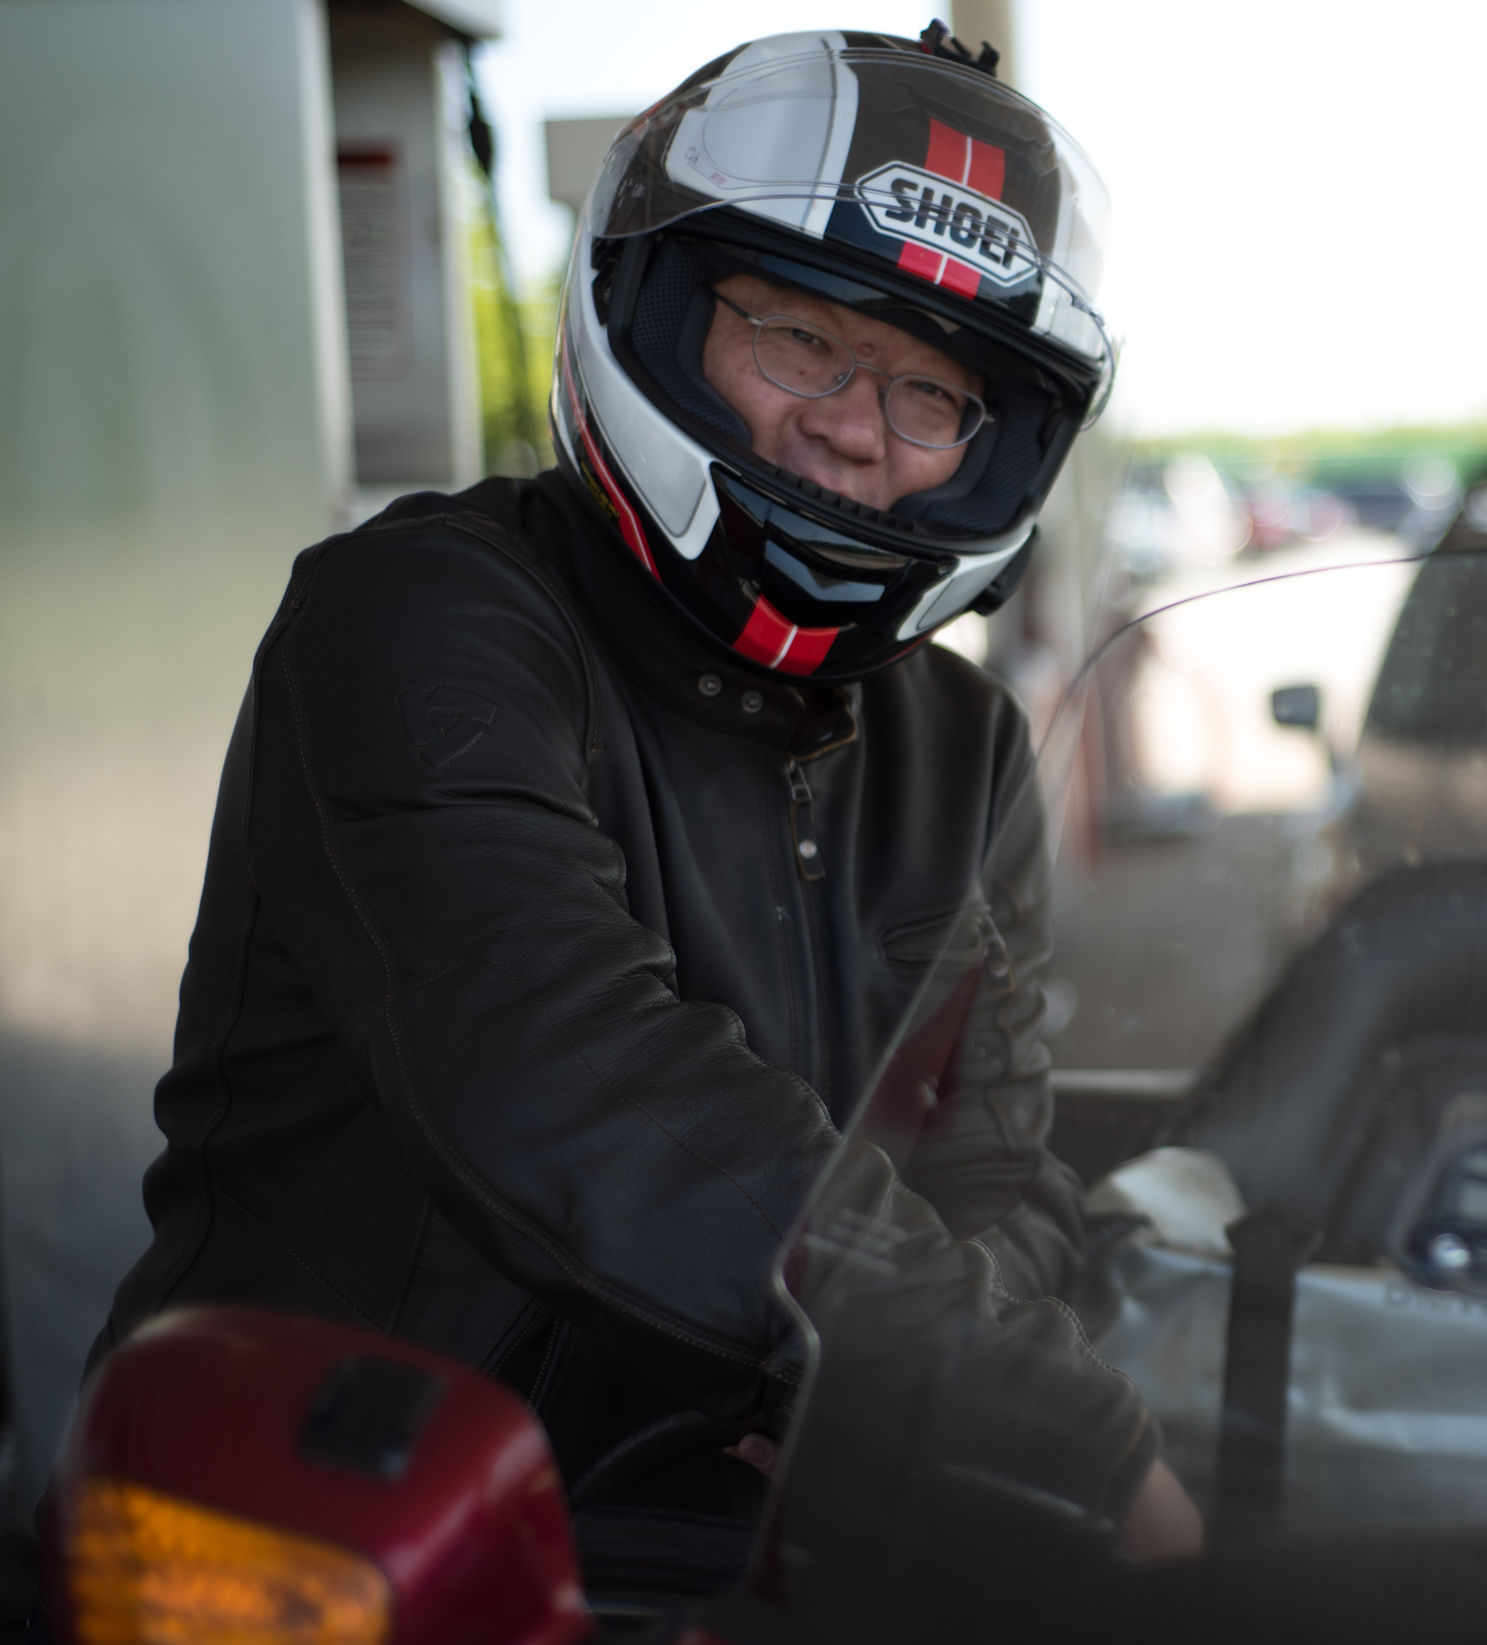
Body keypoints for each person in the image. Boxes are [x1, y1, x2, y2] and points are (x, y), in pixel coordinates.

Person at [87, 25, 1200, 1566]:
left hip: (771, 1554)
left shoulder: (964, 742)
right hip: (328, 1559)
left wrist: (915, 1408)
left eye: (931, 393)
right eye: (799, 336)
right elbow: (573, 1074)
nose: (854, 425)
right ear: (663, 309)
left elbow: (994, 1175)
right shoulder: (421, 614)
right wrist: (1057, 1428)